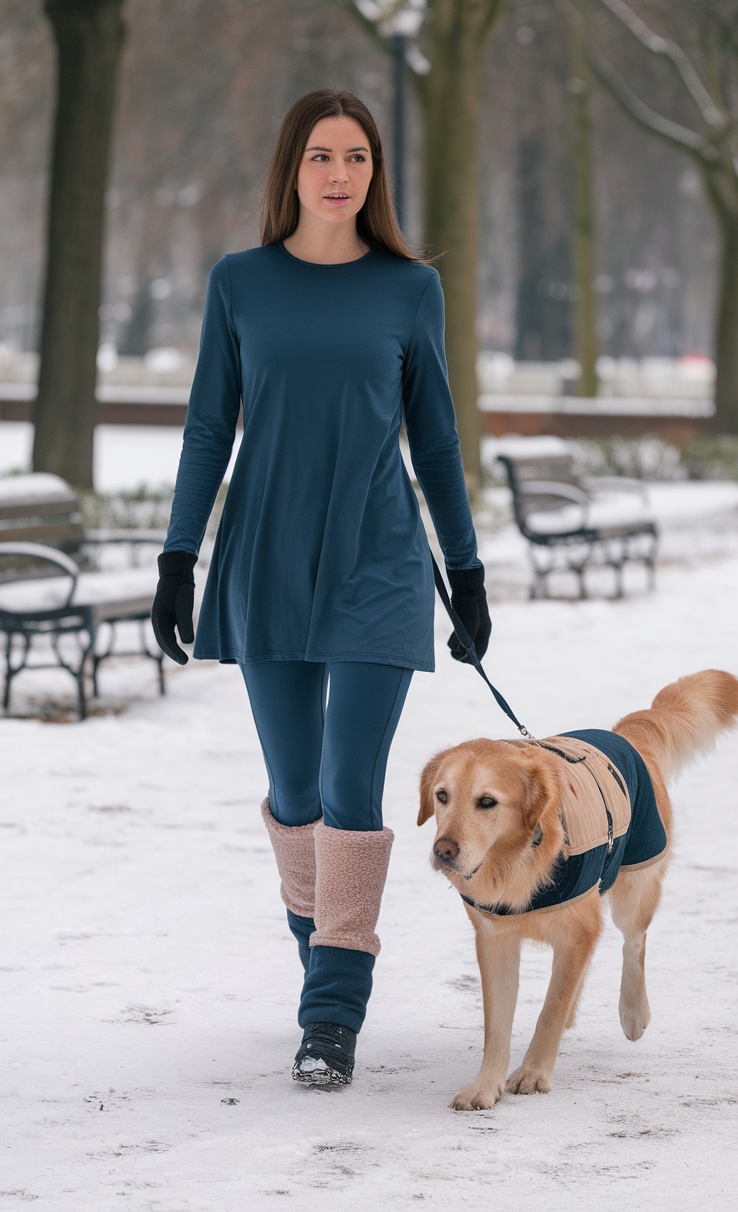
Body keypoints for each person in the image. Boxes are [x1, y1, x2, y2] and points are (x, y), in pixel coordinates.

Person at [151, 87, 491, 1089]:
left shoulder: (408, 289)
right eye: (319, 156)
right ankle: (324, 971)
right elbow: (211, 426)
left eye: (356, 157)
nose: (339, 174)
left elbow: (433, 438)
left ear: (374, 174)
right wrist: (179, 555)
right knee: (295, 791)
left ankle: (331, 1015)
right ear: (290, 171)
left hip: (377, 558)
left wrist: (464, 574)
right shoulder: (240, 283)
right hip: (263, 552)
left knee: (351, 786)